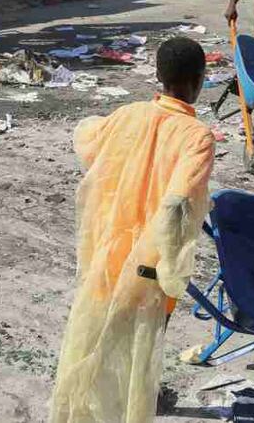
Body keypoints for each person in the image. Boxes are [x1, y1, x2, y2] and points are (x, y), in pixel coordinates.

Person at [49, 37, 215, 423]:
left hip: (108, 248)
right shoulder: (197, 137)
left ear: (158, 76)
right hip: (149, 263)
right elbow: (178, 205)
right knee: (140, 339)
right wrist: (171, 271)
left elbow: (89, 144)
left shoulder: (128, 115)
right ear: (199, 81)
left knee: (96, 331)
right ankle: (132, 401)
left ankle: (88, 400)